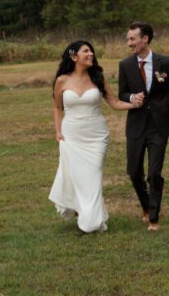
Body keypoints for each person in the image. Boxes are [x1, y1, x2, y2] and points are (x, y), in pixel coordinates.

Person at [49, 40, 141, 233]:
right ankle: (85, 214)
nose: (91, 54)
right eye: (86, 51)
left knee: (93, 176)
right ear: (74, 57)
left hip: (96, 137)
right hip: (71, 136)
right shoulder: (62, 80)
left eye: (91, 51)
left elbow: (114, 102)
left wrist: (133, 104)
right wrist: (58, 131)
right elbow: (57, 108)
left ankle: (90, 221)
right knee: (76, 177)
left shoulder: (98, 77)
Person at [118, 21, 169, 231]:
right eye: (128, 39)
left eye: (132, 39)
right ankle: (146, 206)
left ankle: (154, 218)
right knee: (133, 172)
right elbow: (122, 93)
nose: (128, 43)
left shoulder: (165, 63)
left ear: (145, 39)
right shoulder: (125, 65)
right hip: (135, 126)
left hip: (159, 126)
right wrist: (132, 97)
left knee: (154, 174)